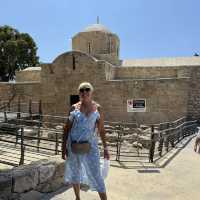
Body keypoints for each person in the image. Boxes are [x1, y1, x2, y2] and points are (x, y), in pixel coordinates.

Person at [62, 82, 110, 200]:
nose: (84, 92)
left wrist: (105, 148)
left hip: (91, 146)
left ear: (91, 91)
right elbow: (66, 128)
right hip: (74, 146)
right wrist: (63, 147)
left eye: (87, 89)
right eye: (81, 90)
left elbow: (102, 130)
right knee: (75, 172)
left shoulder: (98, 108)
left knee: (96, 174)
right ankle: (77, 197)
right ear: (79, 93)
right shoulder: (74, 108)